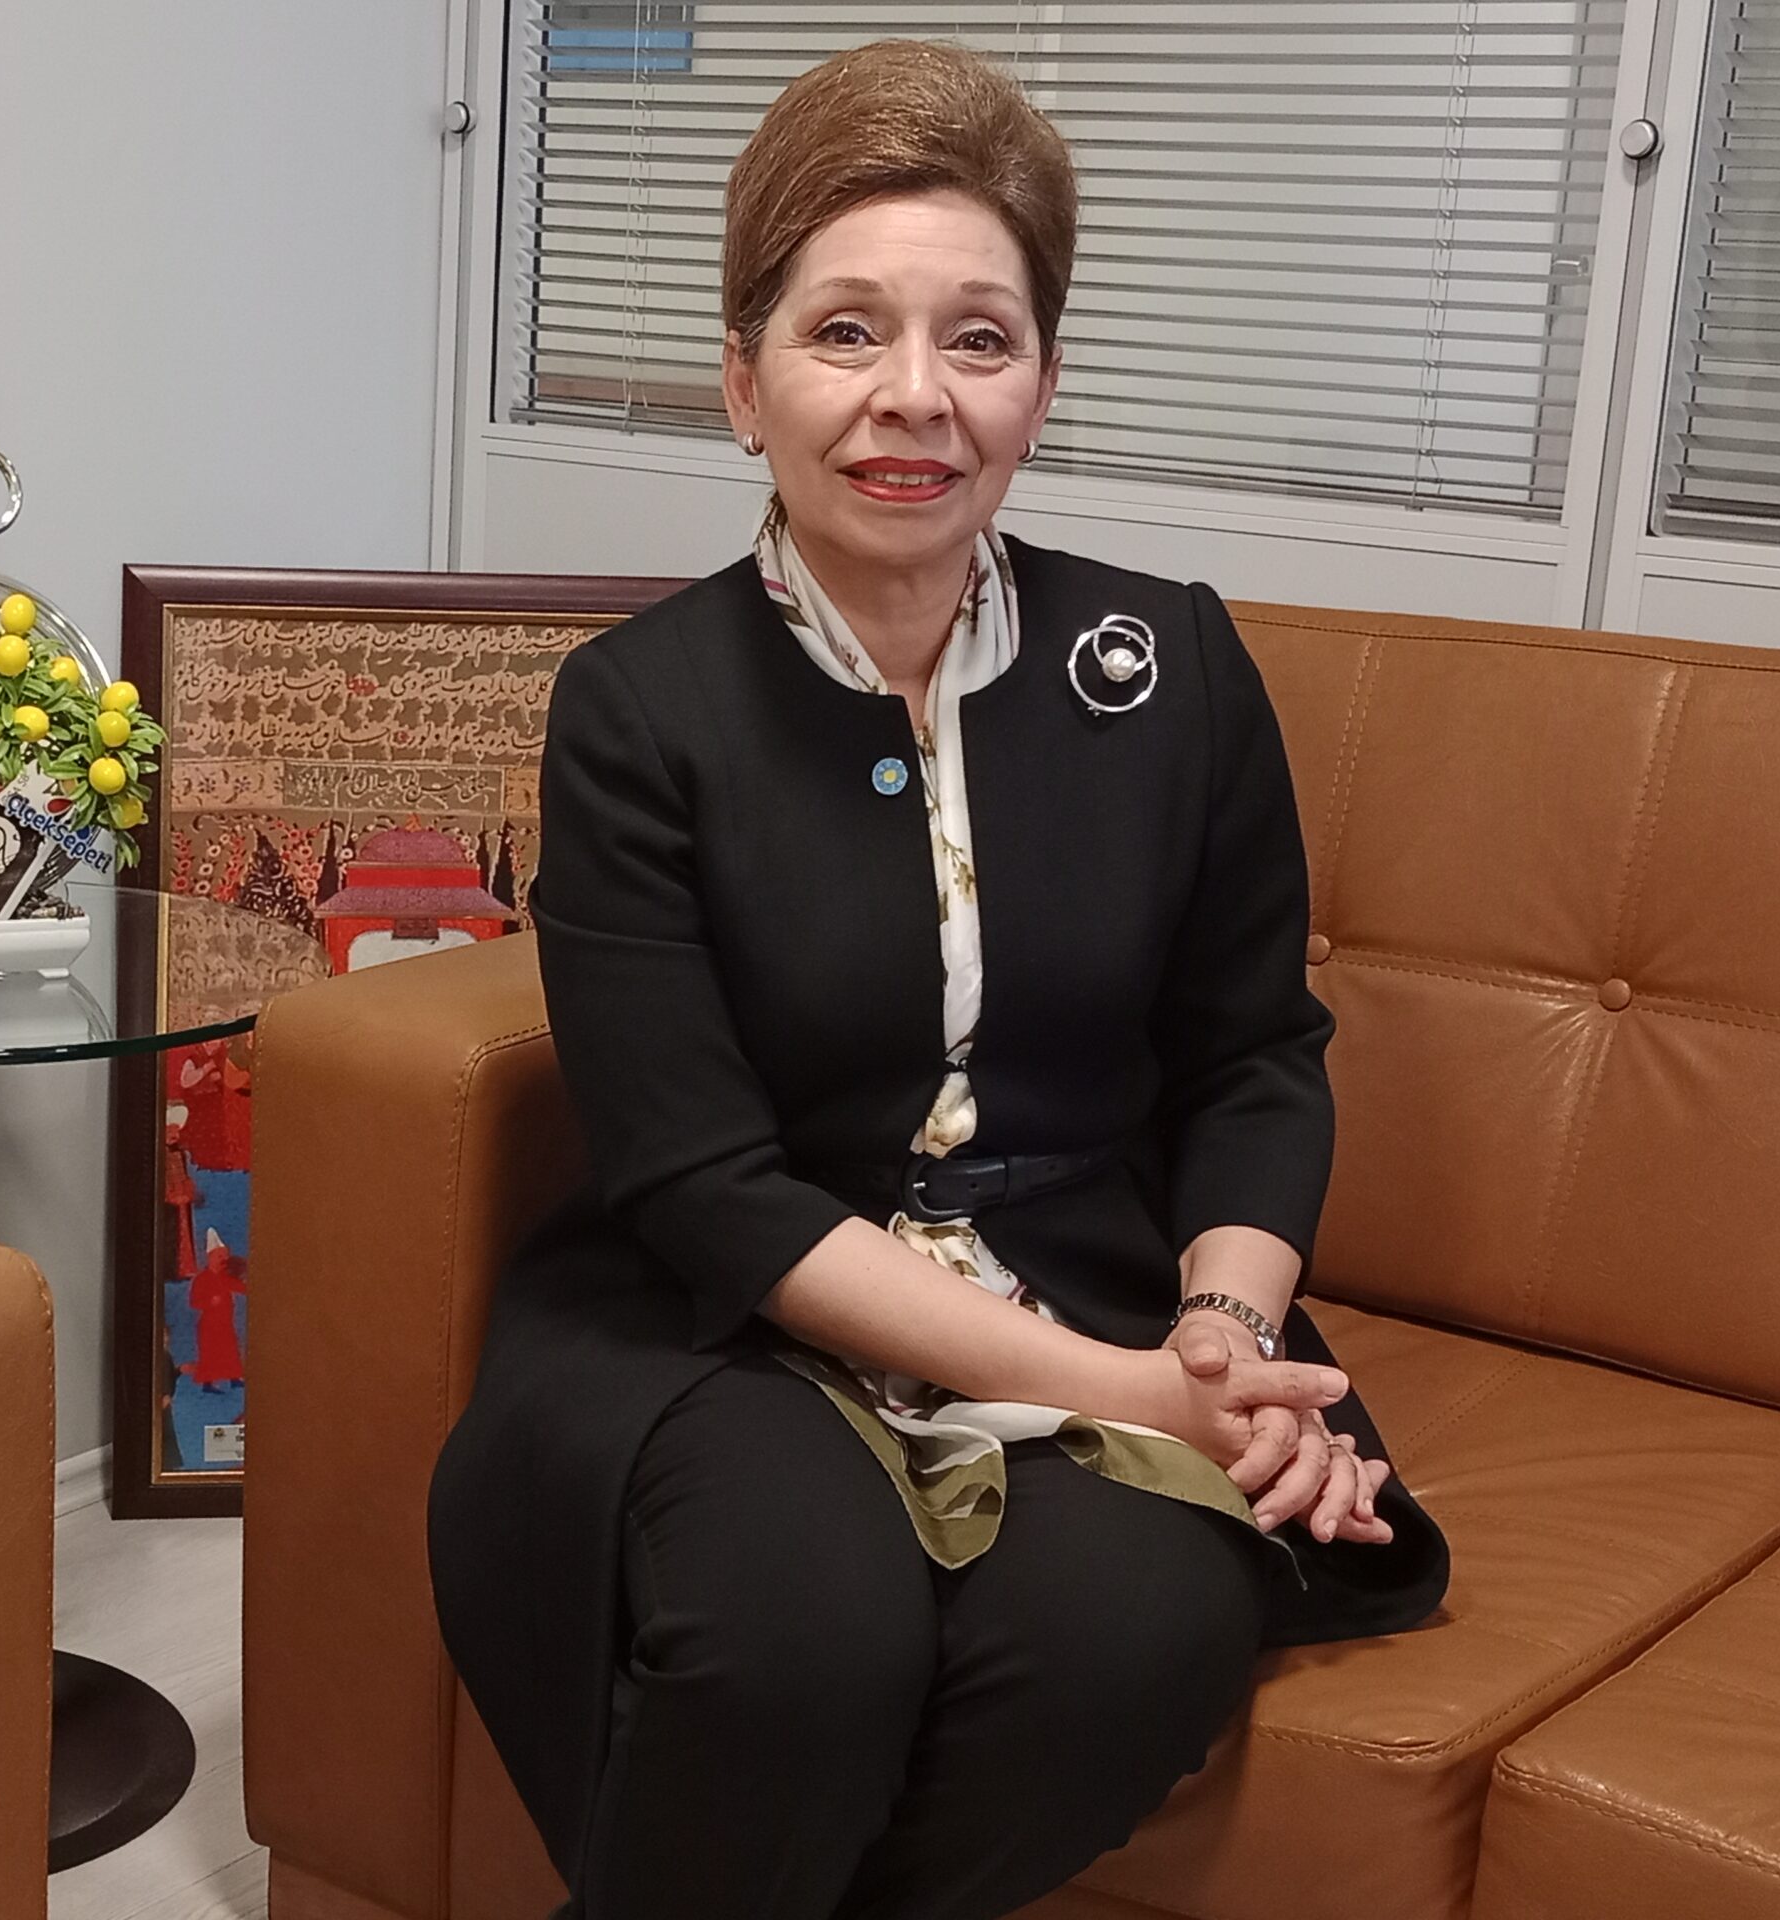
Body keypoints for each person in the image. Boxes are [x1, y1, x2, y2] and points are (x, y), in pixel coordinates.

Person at [425, 37, 1451, 1920]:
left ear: (1041, 382)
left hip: (1092, 1276)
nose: (916, 395)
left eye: (980, 338)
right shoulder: (637, 713)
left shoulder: (1174, 667)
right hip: (735, 1316)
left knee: (1137, 1636)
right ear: (746, 382)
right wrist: (1129, 1393)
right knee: (795, 1637)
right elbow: (700, 1183)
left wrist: (1218, 1337)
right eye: (847, 332)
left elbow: (1253, 1057)